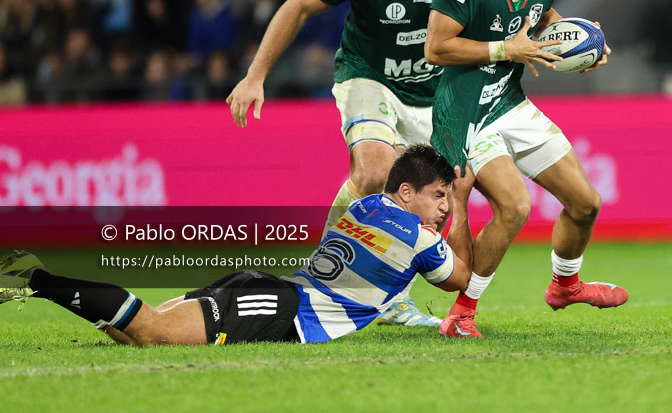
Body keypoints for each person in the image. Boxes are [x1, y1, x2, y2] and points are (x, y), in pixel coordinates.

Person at [227, 0, 475, 328]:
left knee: (440, 193)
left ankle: (390, 295)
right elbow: (299, 4)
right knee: (377, 171)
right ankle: (325, 275)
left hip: (434, 92)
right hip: (370, 78)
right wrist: (255, 75)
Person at [0, 145, 473, 346]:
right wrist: (465, 209)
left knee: (137, 337)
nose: (444, 208)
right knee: (150, 330)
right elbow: (460, 280)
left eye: (448, 200)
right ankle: (31, 277)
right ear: (407, 192)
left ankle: (31, 278)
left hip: (266, 289)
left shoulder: (362, 206)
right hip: (283, 309)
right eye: (439, 196)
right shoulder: (419, 237)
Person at [425, 0, 628, 339]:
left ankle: (565, 286)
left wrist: (579, 42)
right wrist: (505, 50)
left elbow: (541, 17)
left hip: (511, 102)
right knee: (514, 206)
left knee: (586, 202)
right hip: (465, 114)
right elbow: (436, 48)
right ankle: (461, 313)